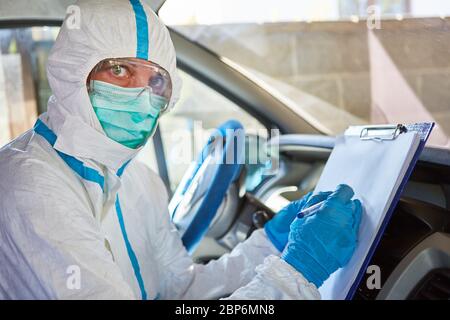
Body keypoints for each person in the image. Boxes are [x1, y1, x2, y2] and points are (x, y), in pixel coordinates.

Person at [0, 0, 362, 300]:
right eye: (119, 69)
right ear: (73, 73)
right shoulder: (31, 186)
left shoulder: (139, 180)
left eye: (156, 79)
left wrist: (269, 244)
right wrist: (296, 273)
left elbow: (180, 290)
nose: (142, 95)